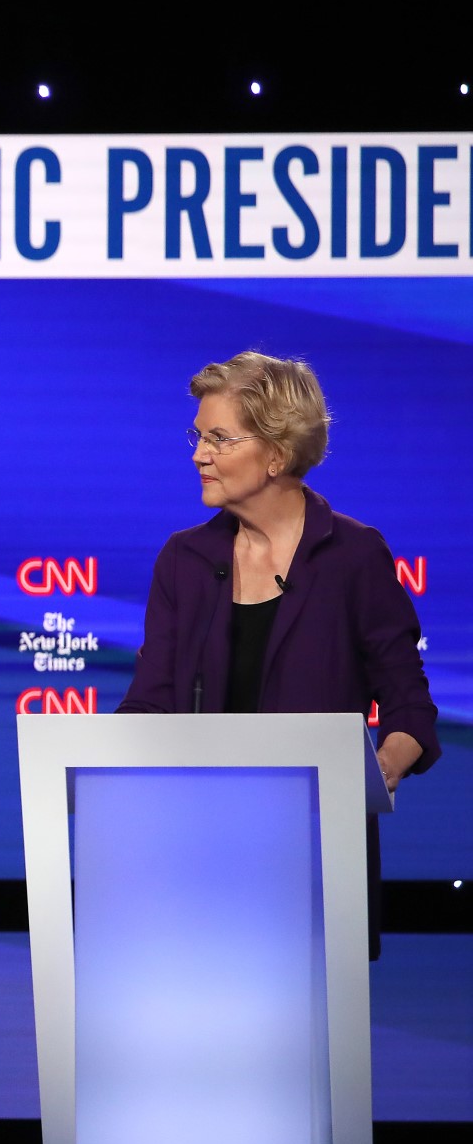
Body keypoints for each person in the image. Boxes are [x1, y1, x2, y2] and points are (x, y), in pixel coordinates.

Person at [117, 351, 439, 955]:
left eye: (218, 438)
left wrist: (380, 770)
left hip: (315, 856)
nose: (198, 455)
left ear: (276, 453)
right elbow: (149, 702)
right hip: (195, 852)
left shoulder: (354, 555)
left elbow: (409, 705)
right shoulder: (183, 561)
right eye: (197, 436)